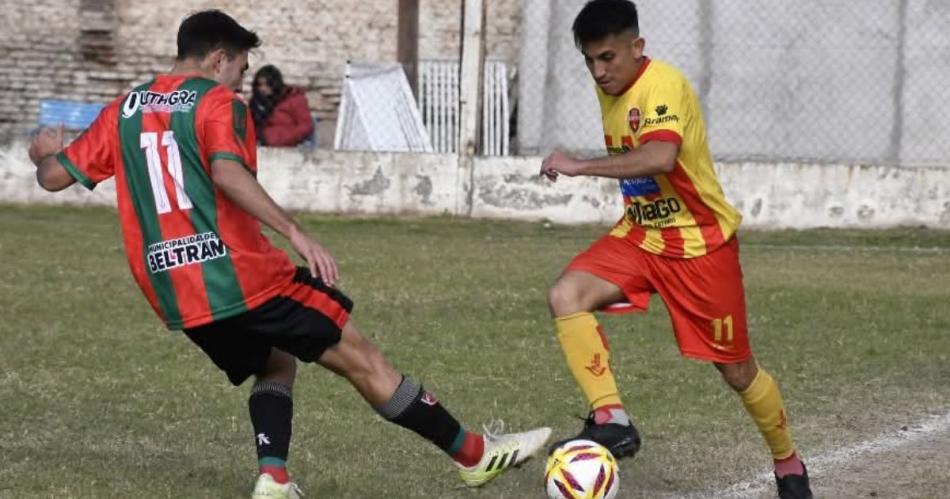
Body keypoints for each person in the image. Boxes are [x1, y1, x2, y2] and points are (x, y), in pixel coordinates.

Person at [28, 10, 549, 499]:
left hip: (178, 294)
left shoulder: (126, 107)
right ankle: (474, 455)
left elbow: (53, 177)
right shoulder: (217, 103)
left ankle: (273, 478)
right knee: (363, 359)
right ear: (217, 59)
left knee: (276, 363)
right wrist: (296, 232)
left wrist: (44, 152)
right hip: (245, 277)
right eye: (239, 68)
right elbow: (227, 172)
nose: (240, 82)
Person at [538, 1, 813, 498]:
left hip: (700, 244)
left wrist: (579, 166)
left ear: (637, 47)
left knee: (737, 371)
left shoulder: (662, 84)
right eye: (589, 62)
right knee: (566, 294)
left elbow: (662, 156)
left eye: (607, 58)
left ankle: (787, 461)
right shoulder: (612, 84)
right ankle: (612, 419)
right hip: (641, 237)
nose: (599, 72)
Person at [250, 64, 315, 147]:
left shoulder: (294, 99)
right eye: (260, 85)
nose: (263, 88)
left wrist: (280, 139)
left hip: (292, 144)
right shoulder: (257, 101)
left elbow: (306, 126)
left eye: (267, 85)